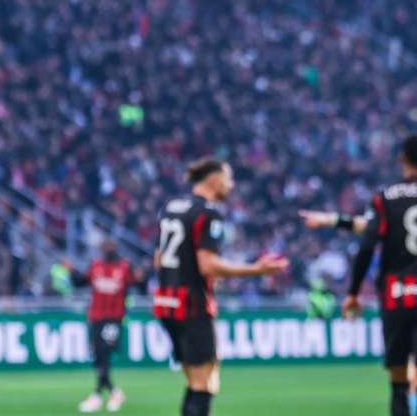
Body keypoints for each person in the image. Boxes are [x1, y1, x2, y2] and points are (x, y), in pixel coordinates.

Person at [305, 136, 417, 416]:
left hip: (396, 298)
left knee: (397, 377)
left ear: (400, 159)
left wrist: (353, 293)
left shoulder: (386, 197)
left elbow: (368, 244)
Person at [153, 157, 289, 416]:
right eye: (228, 179)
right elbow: (208, 266)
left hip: (166, 304)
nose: (231, 186)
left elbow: (159, 261)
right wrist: (256, 269)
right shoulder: (208, 213)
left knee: (195, 381)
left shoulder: (171, 207)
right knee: (203, 384)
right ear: (214, 180)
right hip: (192, 305)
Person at [67, 238, 144, 413]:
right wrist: (71, 272)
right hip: (96, 317)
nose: (109, 250)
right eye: (106, 247)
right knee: (99, 355)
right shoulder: (95, 266)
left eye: (111, 247)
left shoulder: (125, 267)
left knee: (104, 352)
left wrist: (142, 278)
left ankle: (99, 395)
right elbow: (80, 283)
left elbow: (140, 285)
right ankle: (111, 393)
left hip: (114, 317)